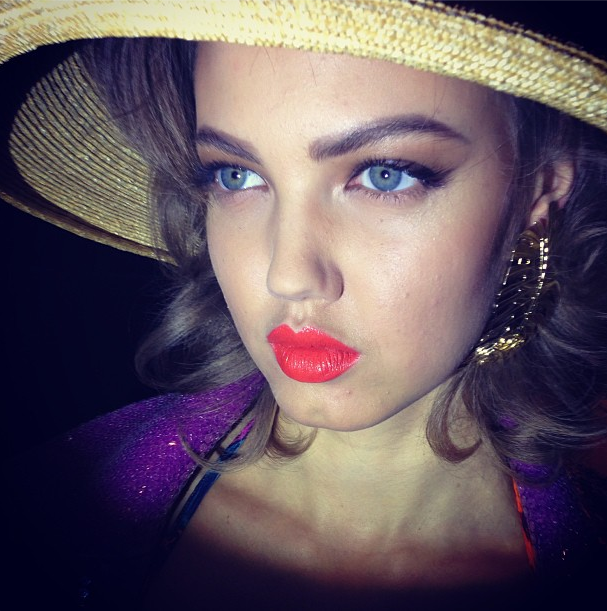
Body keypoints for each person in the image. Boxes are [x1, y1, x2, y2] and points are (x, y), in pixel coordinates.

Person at [1, 1, 606, 609]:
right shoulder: (50, 514)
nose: (287, 276)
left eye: (385, 175)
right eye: (236, 175)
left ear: (540, 190)